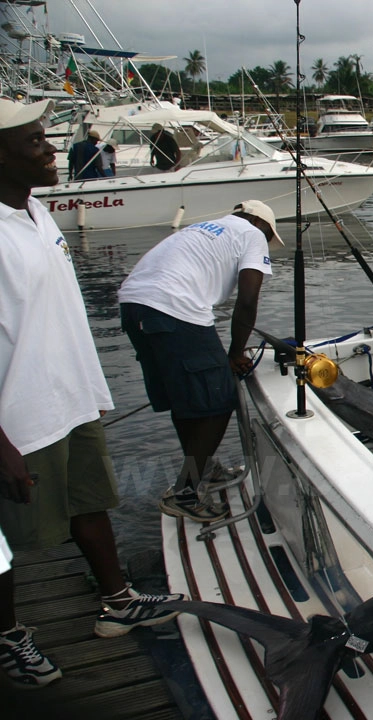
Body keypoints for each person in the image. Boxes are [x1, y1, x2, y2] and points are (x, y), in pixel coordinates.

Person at [0, 97, 183, 689]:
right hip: (16, 415)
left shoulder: (36, 212)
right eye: (33, 142)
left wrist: (90, 385)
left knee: (90, 500)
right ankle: (7, 635)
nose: (50, 149)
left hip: (70, 400)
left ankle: (119, 598)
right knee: (6, 540)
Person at [118, 200, 284, 522]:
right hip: (175, 308)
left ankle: (204, 469)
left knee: (186, 398)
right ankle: (186, 493)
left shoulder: (201, 229)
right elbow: (248, 300)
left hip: (133, 305)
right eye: (268, 233)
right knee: (220, 399)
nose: (265, 241)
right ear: (257, 221)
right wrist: (236, 352)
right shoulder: (251, 233)